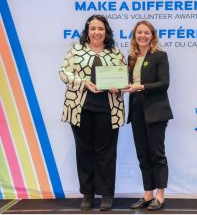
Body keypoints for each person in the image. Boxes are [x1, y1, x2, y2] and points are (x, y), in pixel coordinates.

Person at [59, 14, 126, 211]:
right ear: (87, 31)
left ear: (106, 32)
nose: (97, 32)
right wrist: (83, 82)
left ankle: (106, 195)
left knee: (106, 154)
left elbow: (124, 79)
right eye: (93, 29)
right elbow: (63, 72)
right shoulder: (76, 50)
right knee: (84, 151)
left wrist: (118, 87)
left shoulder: (115, 53)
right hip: (80, 109)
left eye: (101, 29)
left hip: (108, 110)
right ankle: (87, 195)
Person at [124, 20, 173, 211]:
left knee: (157, 155)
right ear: (134, 36)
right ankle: (147, 194)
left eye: (146, 33)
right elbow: (127, 83)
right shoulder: (131, 58)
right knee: (142, 154)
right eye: (139, 33)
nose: (142, 36)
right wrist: (116, 87)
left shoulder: (160, 56)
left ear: (152, 36)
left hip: (156, 111)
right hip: (136, 110)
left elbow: (164, 84)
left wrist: (141, 87)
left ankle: (160, 196)